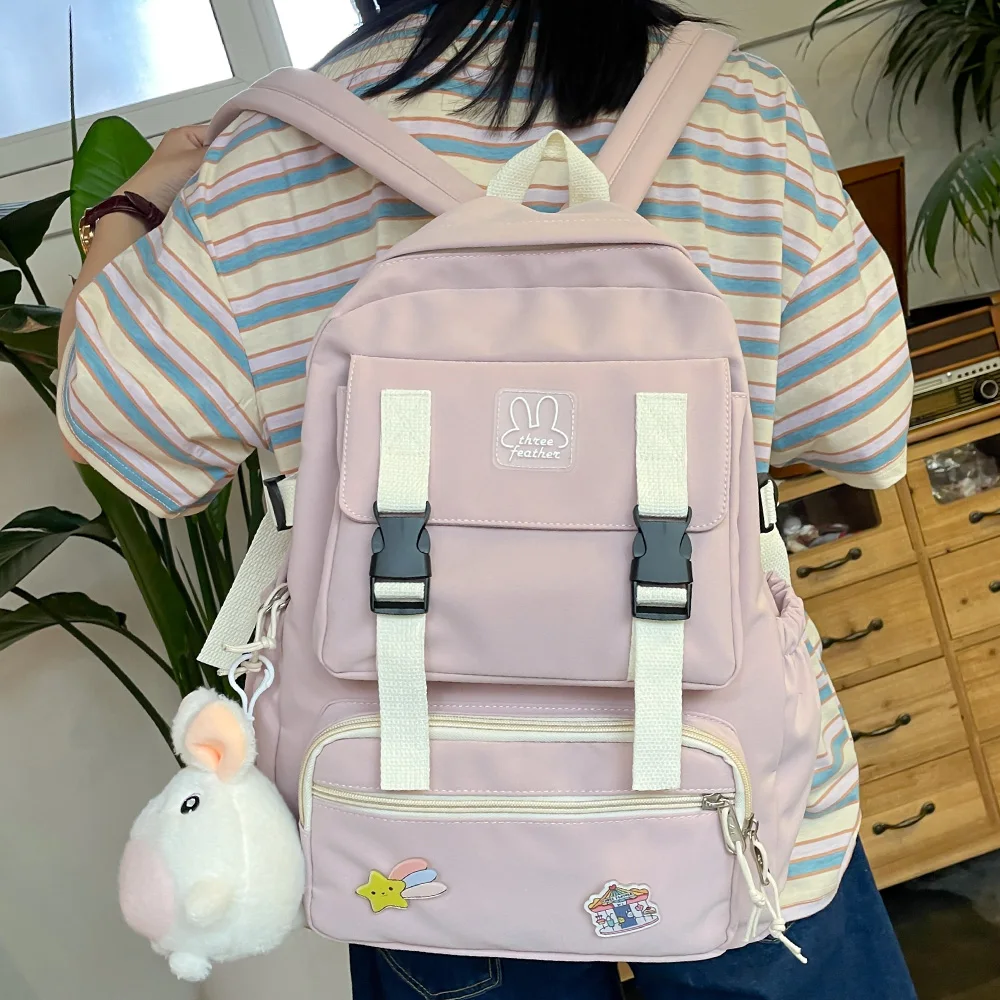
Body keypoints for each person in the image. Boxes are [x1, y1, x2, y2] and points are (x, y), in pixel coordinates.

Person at [55, 1, 916, 997]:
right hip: (741, 823)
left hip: (426, 844)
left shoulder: (268, 159)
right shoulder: (739, 113)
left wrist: (128, 208)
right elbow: (862, 423)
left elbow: (121, 433)